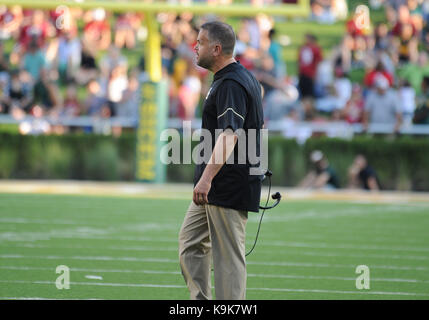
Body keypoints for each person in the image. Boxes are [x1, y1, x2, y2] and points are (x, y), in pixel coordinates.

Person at [178, 21, 264, 300]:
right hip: (218, 184)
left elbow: (230, 134)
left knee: (228, 259)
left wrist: (206, 178)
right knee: (190, 244)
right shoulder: (234, 78)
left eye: (200, 42)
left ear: (216, 49)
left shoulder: (231, 82)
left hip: (226, 183)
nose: (195, 46)